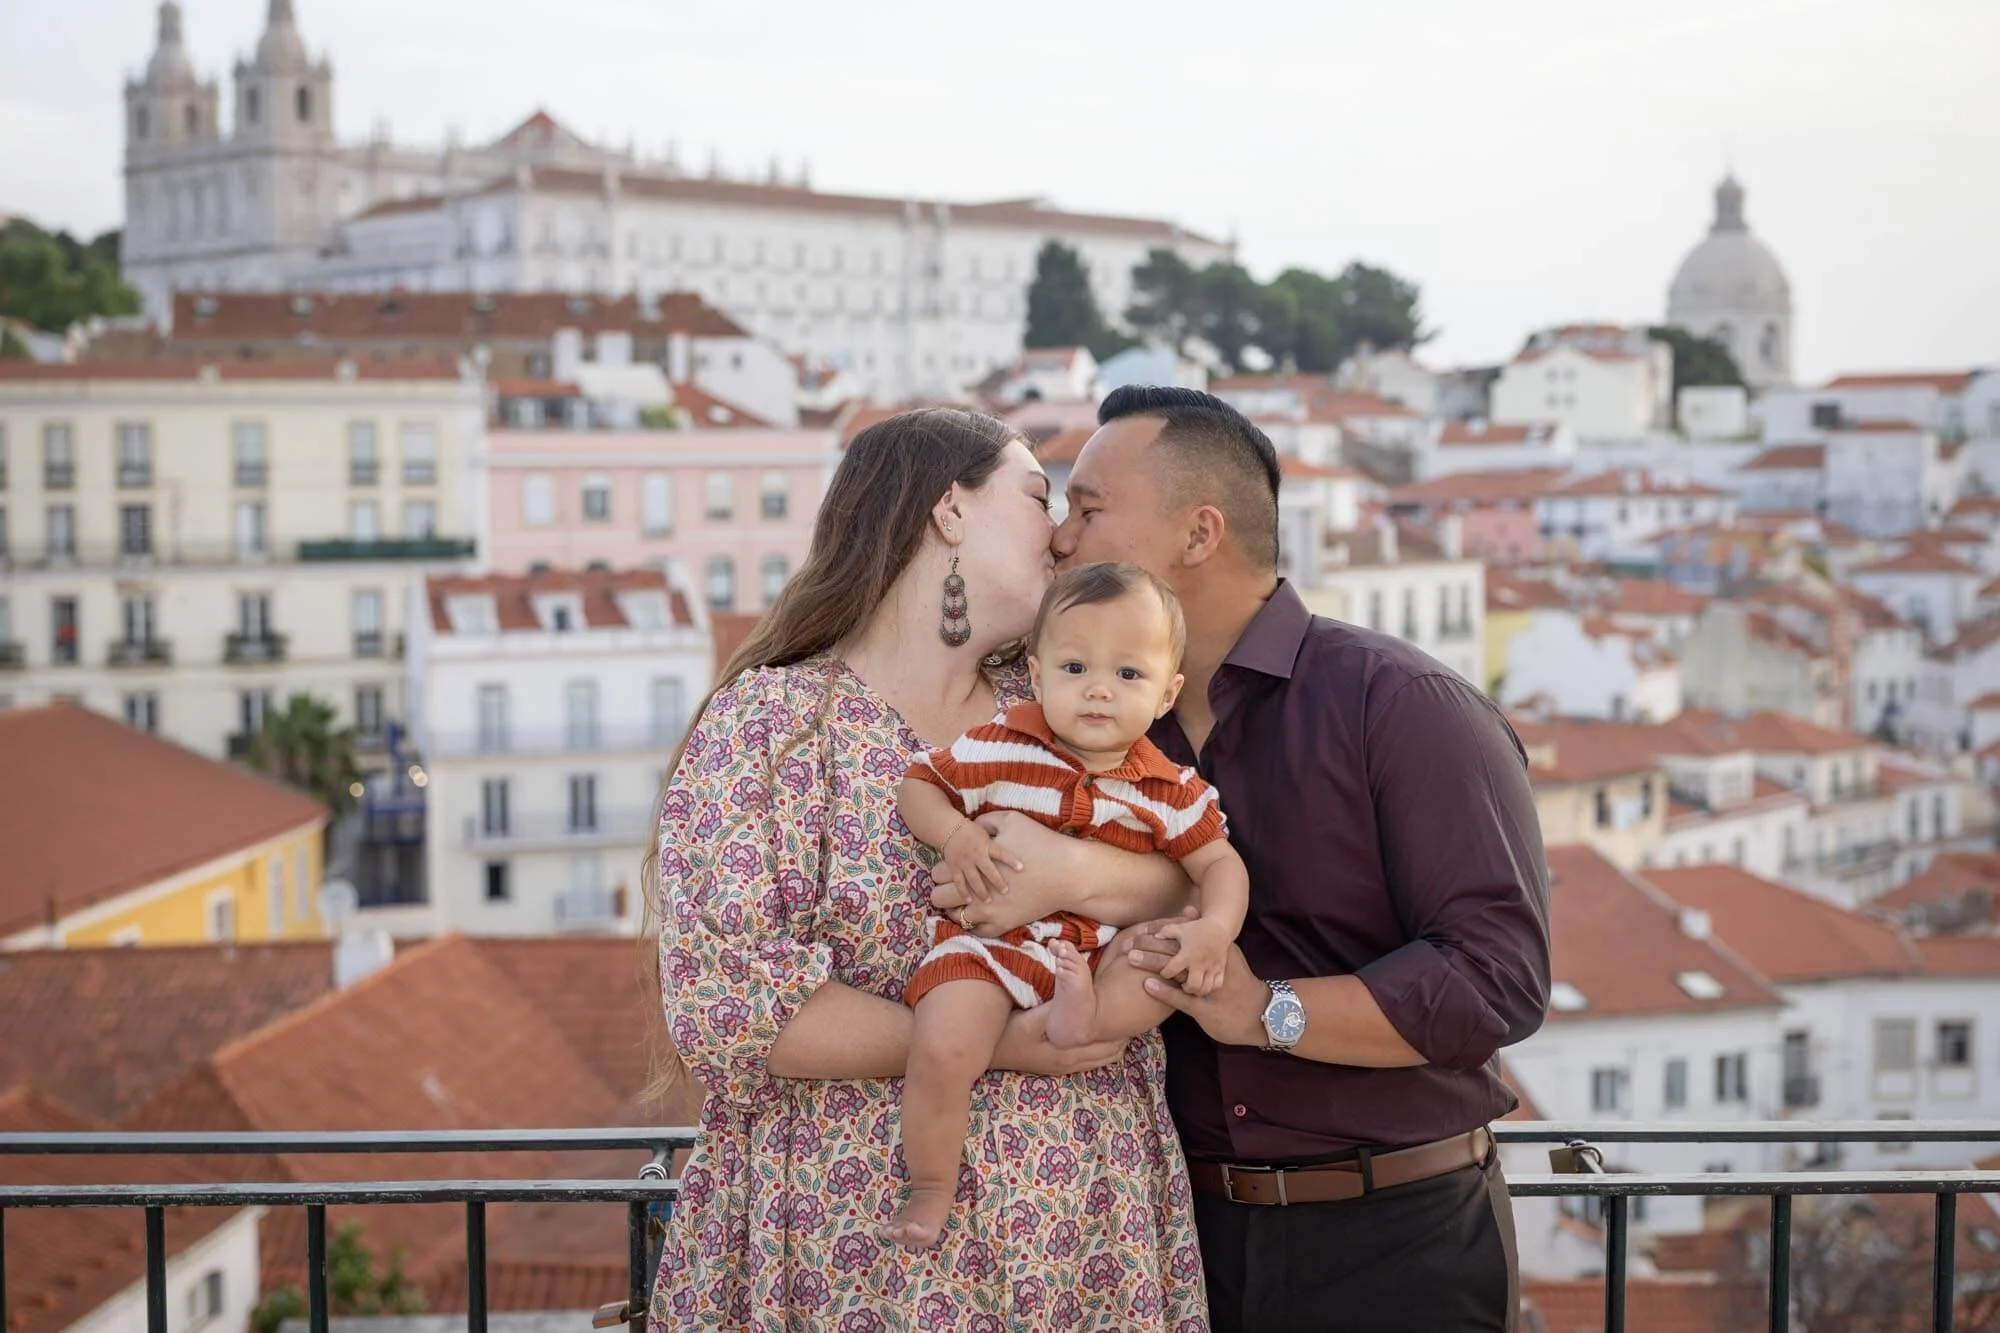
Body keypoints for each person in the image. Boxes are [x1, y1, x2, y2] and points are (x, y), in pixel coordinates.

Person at [932, 386, 1552, 1331]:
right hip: (1173, 1242)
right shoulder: (1073, 723)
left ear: (1198, 533)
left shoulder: (1406, 705)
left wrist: (1269, 1012)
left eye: (1091, 507)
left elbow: (1497, 978)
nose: (1061, 537)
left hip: (1398, 1241)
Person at [647, 409, 1210, 1330]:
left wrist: (1063, 870)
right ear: (950, 510)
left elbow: (1184, 874)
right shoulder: (774, 728)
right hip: (852, 1234)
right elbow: (729, 1006)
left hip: (1079, 1225)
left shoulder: (1071, 703)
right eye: (1038, 499)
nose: (1064, 535)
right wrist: (998, 1041)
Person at [886, 561, 1251, 1249]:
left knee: (1159, 967)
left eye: (1128, 675)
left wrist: (1214, 929)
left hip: (1102, 953)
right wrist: (956, 831)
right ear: (1038, 670)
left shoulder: (1171, 789)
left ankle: (1081, 1015)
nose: (1098, 691)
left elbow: (1220, 864)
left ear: (1168, 691)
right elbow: (918, 786)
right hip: (992, 947)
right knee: (941, 1042)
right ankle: (931, 1183)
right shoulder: (999, 745)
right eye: (1076, 666)